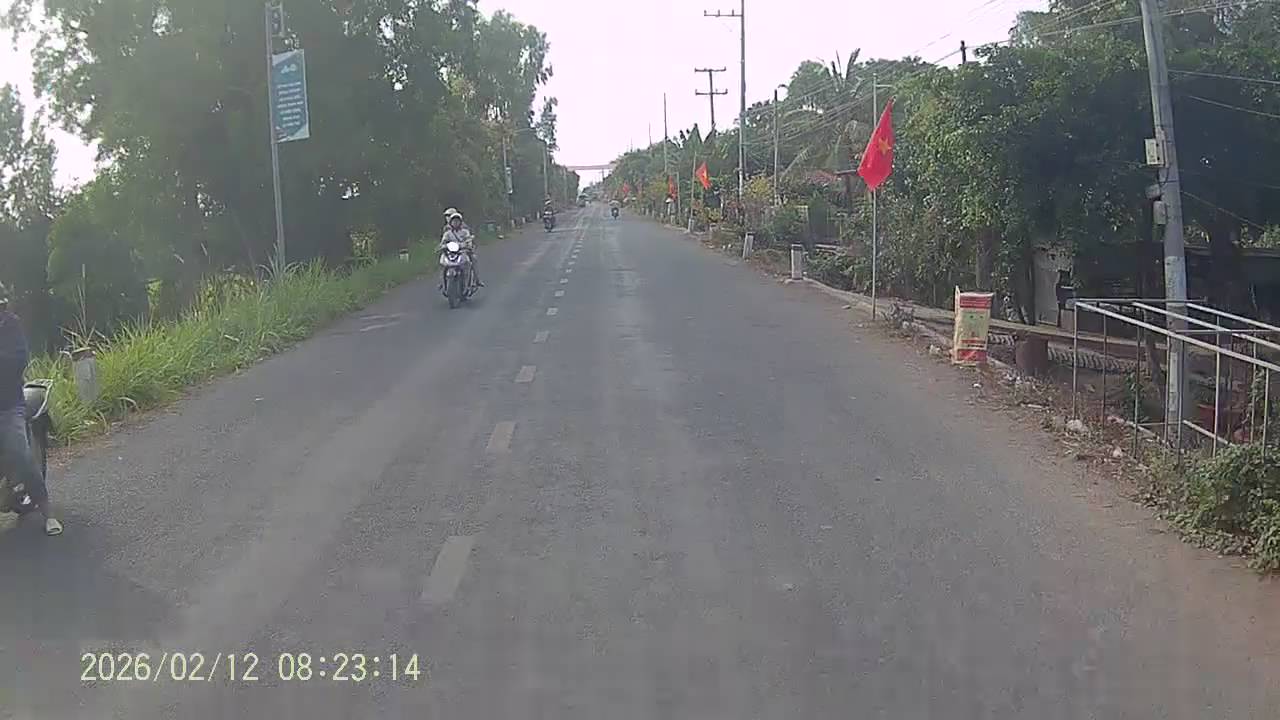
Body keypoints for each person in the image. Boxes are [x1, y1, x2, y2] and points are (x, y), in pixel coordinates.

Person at [0, 283, 61, 535]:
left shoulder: (10, 326)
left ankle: (48, 513)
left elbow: (20, 359)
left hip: (8, 405)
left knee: (21, 453)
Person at [440, 210, 482, 288]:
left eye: (449, 215)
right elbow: (443, 241)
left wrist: (469, 245)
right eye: (447, 216)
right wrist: (443, 246)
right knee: (442, 264)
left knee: (472, 259)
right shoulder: (447, 230)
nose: (447, 217)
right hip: (451, 252)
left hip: (463, 250)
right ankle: (442, 282)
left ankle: (476, 280)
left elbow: (469, 238)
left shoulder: (465, 229)